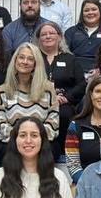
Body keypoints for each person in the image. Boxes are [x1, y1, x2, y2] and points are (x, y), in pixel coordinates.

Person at [0, 43, 59, 161]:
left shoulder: (48, 88)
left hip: (41, 141)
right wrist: (21, 139)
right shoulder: (2, 90)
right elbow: (1, 122)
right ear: (15, 60)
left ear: (35, 64)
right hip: (12, 141)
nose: (25, 61)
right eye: (21, 57)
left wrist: (34, 139)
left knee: (50, 150)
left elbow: (53, 119)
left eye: (30, 59)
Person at [36, 21, 86, 156]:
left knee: (64, 114)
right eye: (43, 34)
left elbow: (81, 84)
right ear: (38, 39)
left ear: (59, 37)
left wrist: (66, 98)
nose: (47, 36)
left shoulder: (70, 59)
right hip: (38, 100)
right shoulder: (34, 59)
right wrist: (49, 97)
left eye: (51, 33)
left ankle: (65, 153)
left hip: (64, 102)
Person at [65, 0, 101, 76]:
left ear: (100, 11)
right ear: (82, 13)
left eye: (94, 9)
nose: (90, 12)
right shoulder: (71, 32)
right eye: (86, 10)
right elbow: (65, 54)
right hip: (74, 73)